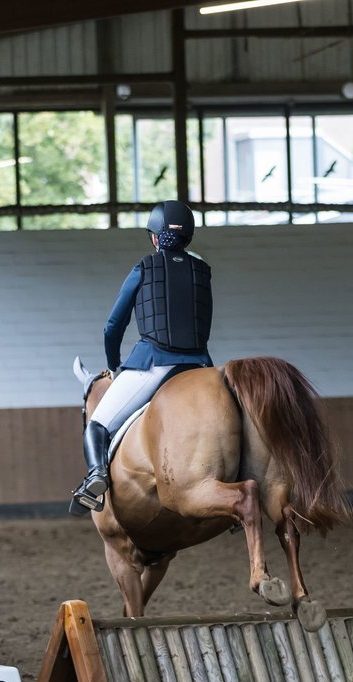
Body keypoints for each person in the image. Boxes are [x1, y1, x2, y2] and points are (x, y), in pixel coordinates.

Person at [70, 200, 213, 514]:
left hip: (154, 364)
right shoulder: (203, 270)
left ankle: (96, 478)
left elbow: (113, 326)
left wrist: (114, 366)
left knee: (97, 425)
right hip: (202, 365)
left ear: (154, 236)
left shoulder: (144, 267)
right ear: (188, 236)